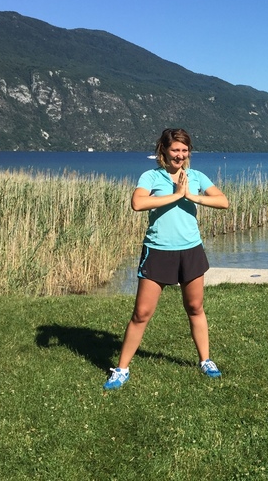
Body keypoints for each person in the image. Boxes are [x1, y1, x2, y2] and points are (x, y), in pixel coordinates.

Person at [103, 128, 230, 390]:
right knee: (141, 313)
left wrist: (191, 195)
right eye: (175, 150)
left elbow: (223, 201)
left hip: (190, 250)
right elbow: (137, 203)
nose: (180, 155)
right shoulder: (151, 176)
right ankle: (122, 369)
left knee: (195, 307)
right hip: (158, 251)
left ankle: (205, 360)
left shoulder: (196, 177)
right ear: (163, 150)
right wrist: (175, 195)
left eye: (184, 150)